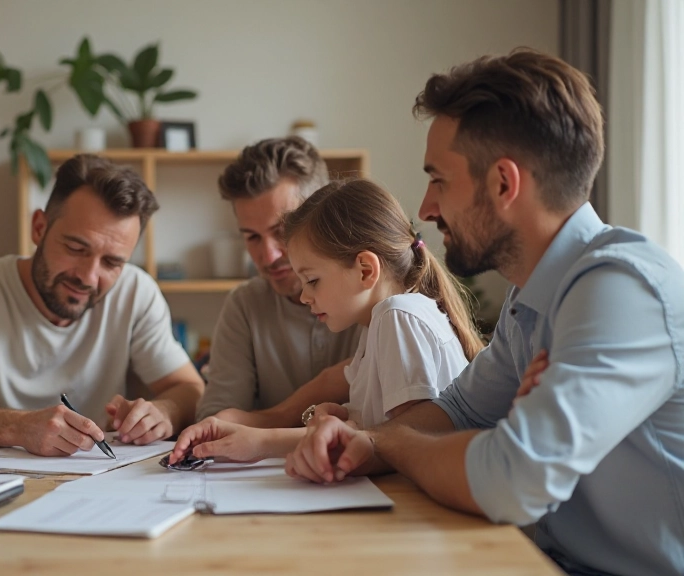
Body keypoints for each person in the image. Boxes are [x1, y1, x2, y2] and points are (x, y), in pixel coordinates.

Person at [287, 48, 684, 576]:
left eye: (439, 180)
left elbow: (510, 480)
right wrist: (369, 441)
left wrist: (395, 441)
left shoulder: (621, 290)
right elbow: (461, 413)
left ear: (503, 182)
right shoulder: (532, 295)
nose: (426, 209)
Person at [170, 178, 482, 464]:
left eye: (313, 280)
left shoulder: (397, 317)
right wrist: (347, 417)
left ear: (365, 270)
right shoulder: (378, 322)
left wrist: (264, 440)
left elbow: (405, 443)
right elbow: (382, 432)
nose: (305, 297)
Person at [0, 154, 204, 456]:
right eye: (76, 248)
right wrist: (17, 427)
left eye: (112, 262)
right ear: (39, 228)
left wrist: (165, 411)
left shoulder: (135, 292)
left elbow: (192, 391)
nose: (89, 277)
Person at [196, 137, 362, 428]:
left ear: (326, 214)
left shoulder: (374, 299)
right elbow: (214, 423)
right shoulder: (244, 305)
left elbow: (392, 425)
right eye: (252, 237)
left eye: (282, 230)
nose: (268, 255)